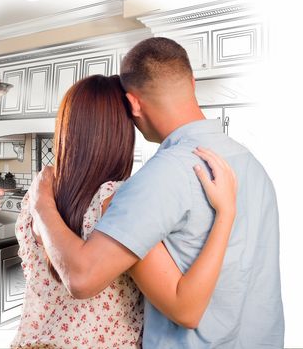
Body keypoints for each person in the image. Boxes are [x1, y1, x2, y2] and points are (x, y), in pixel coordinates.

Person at [28, 38, 284, 348]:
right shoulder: (251, 164)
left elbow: (81, 278)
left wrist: (41, 203)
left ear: (133, 104)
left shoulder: (160, 177)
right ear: (191, 81)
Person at [11, 74, 238, 348]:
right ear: (121, 133)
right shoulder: (116, 202)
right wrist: (226, 213)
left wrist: (41, 204)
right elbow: (185, 308)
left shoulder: (37, 195)